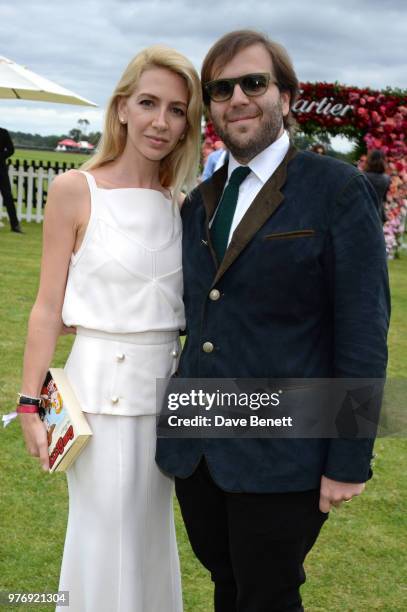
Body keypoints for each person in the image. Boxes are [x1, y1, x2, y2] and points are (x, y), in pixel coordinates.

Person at [156, 30, 390, 611]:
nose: (237, 97)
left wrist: (349, 456)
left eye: (253, 83)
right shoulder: (201, 201)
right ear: (209, 106)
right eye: (221, 88)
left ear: (284, 96)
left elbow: (363, 334)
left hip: (285, 452)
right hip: (199, 448)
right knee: (227, 585)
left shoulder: (338, 190)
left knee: (268, 594)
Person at [17, 45, 202, 612]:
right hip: (95, 398)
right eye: (148, 102)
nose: (161, 121)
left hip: (166, 398)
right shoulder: (77, 189)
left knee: (150, 537)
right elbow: (49, 306)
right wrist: (28, 404)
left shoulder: (184, 203)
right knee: (104, 535)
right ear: (121, 107)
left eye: (177, 110)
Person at [0, 127, 22, 233]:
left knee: (8, 196)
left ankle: (15, 225)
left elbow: (11, 149)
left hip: (1, 170)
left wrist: (1, 156)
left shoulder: (3, 132)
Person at [364, 149, 390, 224]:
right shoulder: (386, 178)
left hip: (363, 214)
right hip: (378, 215)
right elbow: (384, 198)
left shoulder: (362, 176)